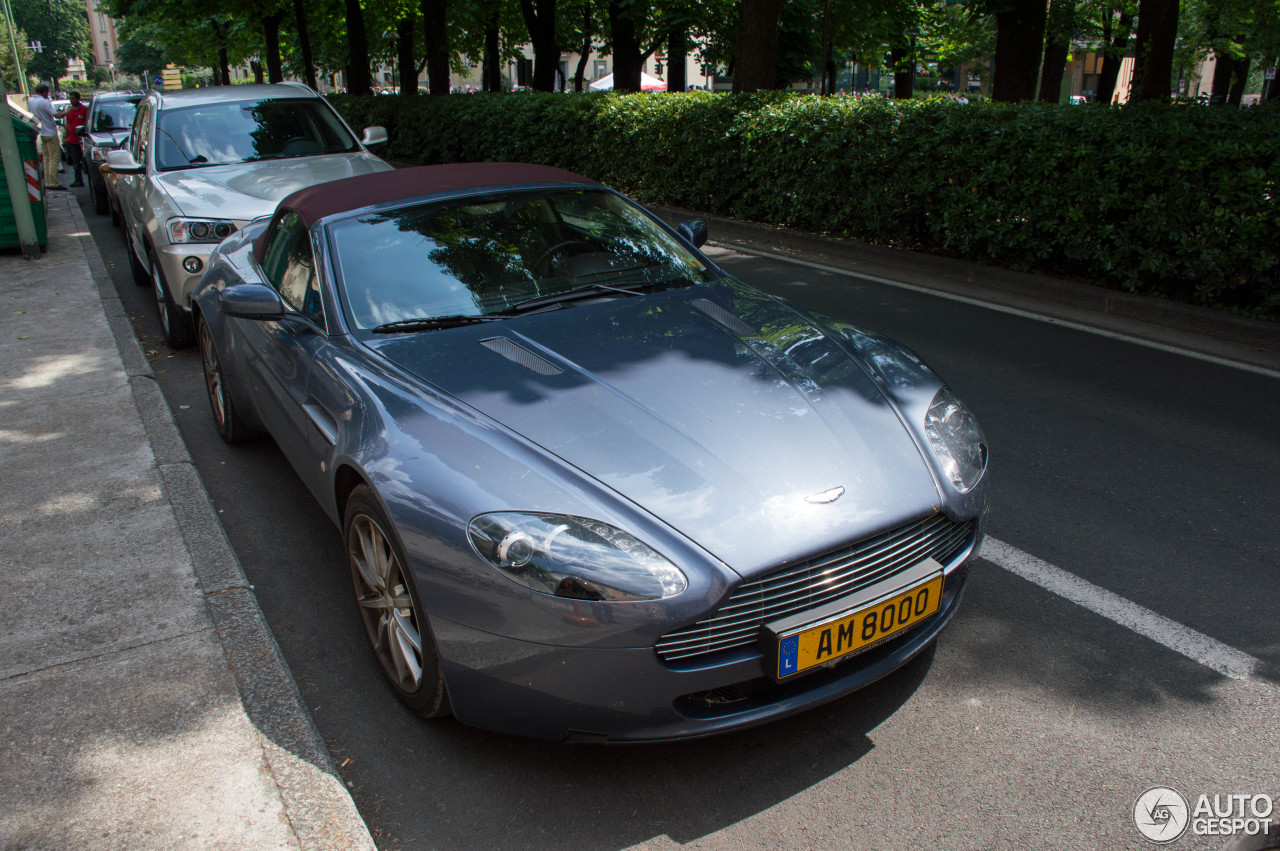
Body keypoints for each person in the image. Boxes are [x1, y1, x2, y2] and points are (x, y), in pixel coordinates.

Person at [29, 84, 63, 190]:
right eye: (47, 93)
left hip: (41, 132)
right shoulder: (44, 102)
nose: (47, 95)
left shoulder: (30, 101)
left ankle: (48, 182)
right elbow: (56, 115)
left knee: (47, 159)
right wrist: (67, 111)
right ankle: (53, 183)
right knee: (54, 159)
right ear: (44, 91)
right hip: (50, 133)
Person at [57, 91, 89, 188]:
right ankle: (78, 180)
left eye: (73, 98)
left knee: (86, 161)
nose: (71, 100)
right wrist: (66, 137)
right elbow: (67, 124)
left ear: (78, 99)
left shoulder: (84, 109)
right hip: (72, 140)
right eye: (70, 98)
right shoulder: (69, 110)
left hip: (83, 140)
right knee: (75, 161)